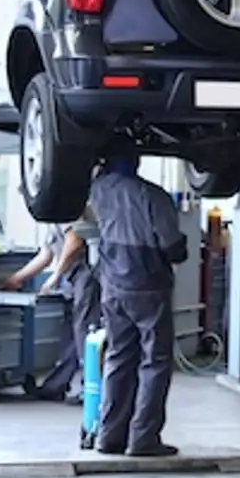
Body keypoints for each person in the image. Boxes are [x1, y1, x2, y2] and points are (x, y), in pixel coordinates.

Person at [89, 151, 188, 457]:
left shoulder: (97, 190)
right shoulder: (153, 196)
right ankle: (143, 439)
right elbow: (173, 248)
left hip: (111, 285)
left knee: (118, 357)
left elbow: (82, 227)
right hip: (148, 286)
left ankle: (109, 436)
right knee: (155, 362)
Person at [2, 212, 102, 403]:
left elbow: (75, 241)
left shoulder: (64, 209)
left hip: (87, 274)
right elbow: (46, 255)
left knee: (84, 333)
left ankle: (89, 390)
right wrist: (16, 279)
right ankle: (56, 386)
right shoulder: (51, 219)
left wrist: (56, 276)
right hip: (73, 278)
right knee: (70, 334)